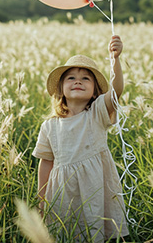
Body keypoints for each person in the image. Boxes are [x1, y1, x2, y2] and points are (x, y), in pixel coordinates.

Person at [32, 35, 129, 242]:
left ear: (95, 92)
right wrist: (41, 200)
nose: (78, 81)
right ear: (60, 89)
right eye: (71, 78)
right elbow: (46, 163)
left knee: (93, 228)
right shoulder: (49, 126)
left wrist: (115, 60)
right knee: (64, 232)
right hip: (62, 190)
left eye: (86, 78)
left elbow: (116, 92)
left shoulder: (96, 113)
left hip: (94, 187)